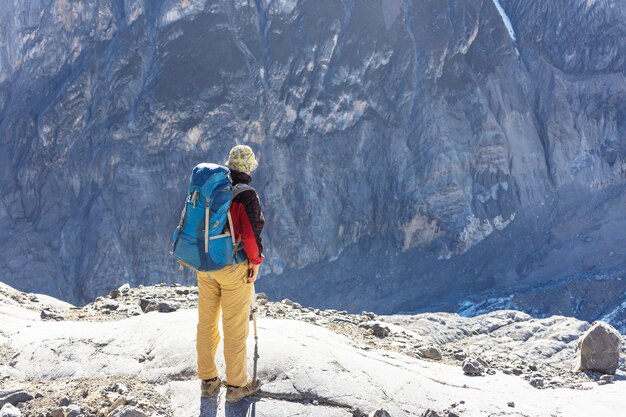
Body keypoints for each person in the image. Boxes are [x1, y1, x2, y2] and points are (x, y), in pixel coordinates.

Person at [196, 145, 264, 403]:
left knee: (207, 323)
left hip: (205, 266)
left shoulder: (213, 188)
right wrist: (255, 261)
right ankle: (236, 385)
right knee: (234, 327)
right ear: (247, 168)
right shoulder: (246, 195)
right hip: (232, 269)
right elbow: (250, 234)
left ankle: (208, 380)